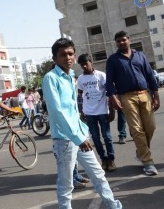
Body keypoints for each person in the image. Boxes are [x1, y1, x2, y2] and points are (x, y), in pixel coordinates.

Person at [42, 38, 122, 209]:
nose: (67, 57)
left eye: (70, 53)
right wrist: (78, 136)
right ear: (55, 58)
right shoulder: (51, 78)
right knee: (66, 184)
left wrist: (82, 132)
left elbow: (73, 110)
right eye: (62, 55)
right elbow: (57, 112)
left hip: (79, 136)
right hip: (65, 139)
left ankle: (112, 205)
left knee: (98, 174)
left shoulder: (71, 77)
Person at [106, 31, 160, 176]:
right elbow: (109, 82)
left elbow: (149, 75)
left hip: (144, 94)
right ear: (116, 43)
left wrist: (156, 95)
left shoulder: (140, 55)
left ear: (129, 40)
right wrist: (114, 98)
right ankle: (148, 162)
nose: (121, 42)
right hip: (126, 97)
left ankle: (140, 151)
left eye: (123, 40)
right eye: (118, 41)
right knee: (137, 129)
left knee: (151, 127)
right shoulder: (113, 60)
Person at [77, 53, 117, 172]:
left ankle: (111, 160)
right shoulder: (81, 79)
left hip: (103, 111)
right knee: (95, 138)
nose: (84, 66)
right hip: (89, 113)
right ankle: (103, 159)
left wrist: (112, 110)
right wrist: (81, 111)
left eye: (86, 63)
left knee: (107, 136)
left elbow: (110, 92)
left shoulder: (101, 75)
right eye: (82, 64)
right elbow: (80, 95)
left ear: (91, 62)